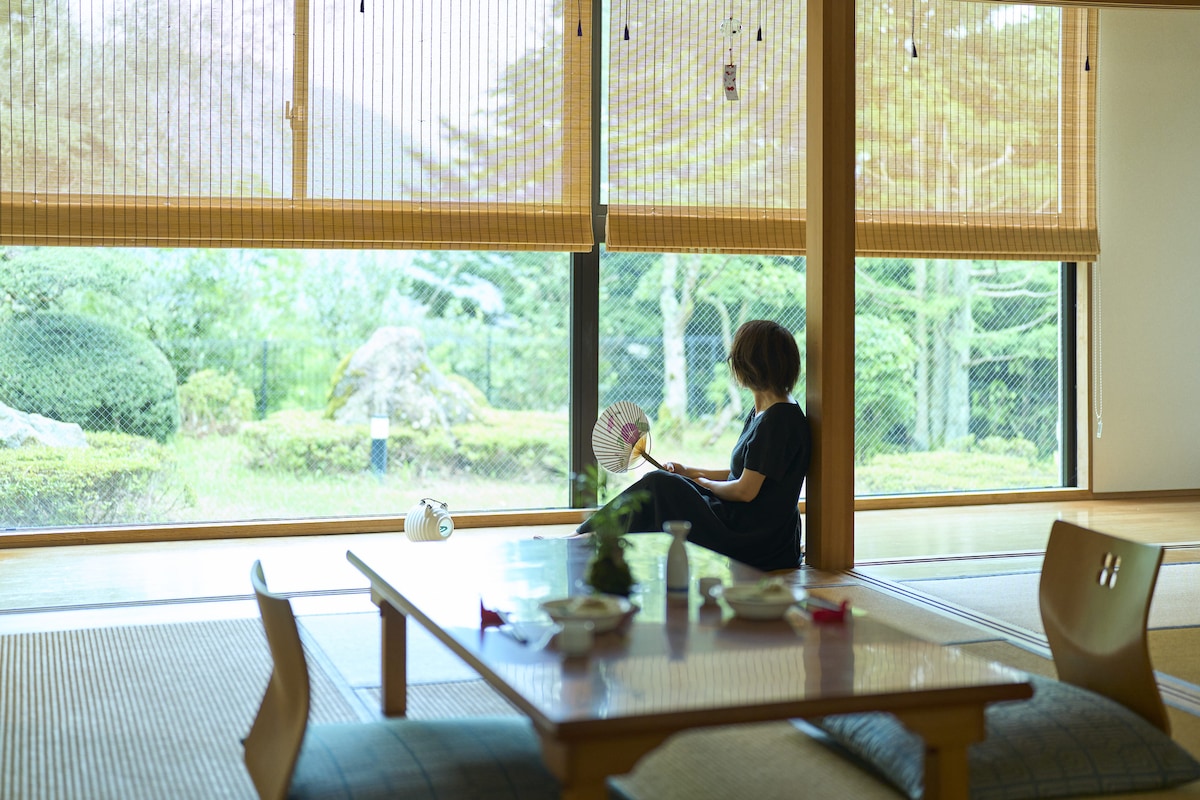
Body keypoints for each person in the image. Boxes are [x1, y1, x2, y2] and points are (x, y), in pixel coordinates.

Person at [579, 319, 811, 572]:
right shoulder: (764, 412)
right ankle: (592, 537)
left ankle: (589, 538)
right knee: (664, 485)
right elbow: (744, 475)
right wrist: (689, 472)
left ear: (750, 364)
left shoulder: (779, 420)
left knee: (660, 484)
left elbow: (746, 491)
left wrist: (703, 484)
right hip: (746, 522)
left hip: (755, 537)